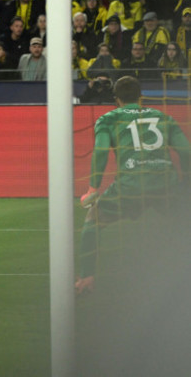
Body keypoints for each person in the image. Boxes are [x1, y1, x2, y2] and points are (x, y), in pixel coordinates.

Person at [75, 76, 191, 294]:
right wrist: (186, 184)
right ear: (140, 97)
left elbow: (100, 152)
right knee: (183, 222)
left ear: (116, 99)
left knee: (93, 220)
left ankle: (87, 277)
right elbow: (186, 151)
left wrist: (93, 188)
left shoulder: (108, 119)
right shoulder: (162, 116)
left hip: (130, 187)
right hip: (165, 184)